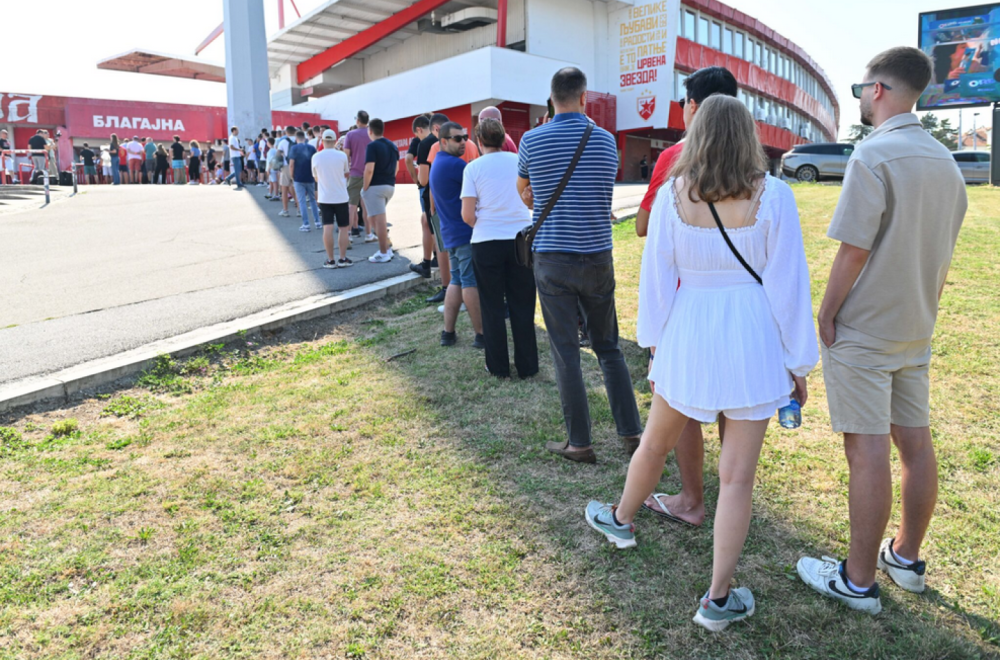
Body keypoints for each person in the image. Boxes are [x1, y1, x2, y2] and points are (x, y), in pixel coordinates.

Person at [586, 94, 818, 632]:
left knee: (655, 441)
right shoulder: (775, 196)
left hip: (688, 332)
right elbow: (789, 288)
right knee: (737, 479)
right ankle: (717, 598)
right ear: (748, 135)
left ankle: (621, 519)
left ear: (699, 134)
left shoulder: (673, 195)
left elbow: (657, 279)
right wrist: (798, 363)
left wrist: (654, 344)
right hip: (752, 338)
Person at [797, 47, 968, 615]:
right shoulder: (946, 161)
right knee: (915, 444)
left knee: (866, 450)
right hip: (915, 325)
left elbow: (854, 249)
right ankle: (906, 558)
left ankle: (858, 580)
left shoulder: (873, 154)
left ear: (877, 90)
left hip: (866, 327)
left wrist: (826, 313)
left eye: (859, 89)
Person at [516, 67, 643, 463]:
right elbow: (601, 192)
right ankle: (631, 433)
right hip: (598, 255)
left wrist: (538, 197)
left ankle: (580, 442)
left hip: (553, 258)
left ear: (552, 98)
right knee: (609, 347)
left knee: (566, 350)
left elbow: (525, 193)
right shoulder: (606, 141)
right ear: (584, 97)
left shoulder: (531, 140)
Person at [633, 66, 740, 525]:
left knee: (682, 406)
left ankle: (692, 499)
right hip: (741, 306)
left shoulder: (675, 157)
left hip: (684, 304)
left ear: (693, 106)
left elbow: (644, 228)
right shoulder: (752, 164)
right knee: (736, 404)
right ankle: (734, 490)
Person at [461, 117, 537, 378]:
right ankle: (528, 365)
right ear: (504, 138)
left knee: (491, 306)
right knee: (523, 303)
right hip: (520, 239)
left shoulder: (473, 168)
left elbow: (467, 215)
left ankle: (497, 366)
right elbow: (531, 199)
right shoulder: (519, 161)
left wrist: (485, 222)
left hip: (486, 242)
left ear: (479, 141)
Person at [430, 121, 484, 349]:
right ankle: (481, 335)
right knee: (470, 282)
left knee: (456, 281)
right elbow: (480, 192)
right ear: (443, 141)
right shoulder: (456, 165)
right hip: (464, 233)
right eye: (457, 138)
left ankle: (448, 333)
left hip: (451, 233)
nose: (463, 142)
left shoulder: (438, 162)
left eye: (465, 137)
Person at [417, 113, 452, 304]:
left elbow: (425, 180)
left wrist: (431, 206)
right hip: (464, 200)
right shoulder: (468, 143)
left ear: (435, 129)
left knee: (442, 245)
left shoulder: (430, 145)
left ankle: (447, 288)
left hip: (439, 202)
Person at [313, 128, 353, 268]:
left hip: (325, 197)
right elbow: (346, 173)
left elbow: (316, 178)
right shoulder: (342, 156)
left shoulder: (316, 157)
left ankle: (330, 260)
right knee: (343, 228)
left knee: (327, 227)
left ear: (323, 141)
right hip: (341, 196)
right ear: (335, 141)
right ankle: (342, 258)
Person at [361, 118, 398, 263]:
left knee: (378, 219)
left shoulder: (372, 146)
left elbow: (369, 169)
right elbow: (396, 168)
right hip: (389, 185)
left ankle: (384, 252)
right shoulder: (392, 145)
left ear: (370, 131)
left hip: (375, 186)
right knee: (372, 218)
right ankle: (386, 248)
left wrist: (365, 187)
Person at [408, 114, 436, 279]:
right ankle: (432, 261)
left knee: (430, 224)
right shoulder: (458, 141)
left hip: (432, 193)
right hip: (454, 191)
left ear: (419, 129)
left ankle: (428, 263)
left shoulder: (425, 144)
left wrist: (416, 179)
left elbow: (423, 180)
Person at [343, 110, 371, 238]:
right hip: (370, 174)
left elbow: (346, 156)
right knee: (366, 206)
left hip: (355, 173)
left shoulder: (350, 135)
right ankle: (369, 234)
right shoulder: (372, 133)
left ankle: (348, 235)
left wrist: (346, 171)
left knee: (351, 206)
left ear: (357, 120)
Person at [288, 130, 320, 231]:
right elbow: (316, 162)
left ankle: (306, 224)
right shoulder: (311, 148)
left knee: (301, 201)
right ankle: (317, 222)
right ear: (304, 138)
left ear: (296, 138)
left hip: (298, 177)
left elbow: (291, 164)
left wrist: (292, 176)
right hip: (310, 177)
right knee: (313, 200)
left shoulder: (294, 148)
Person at [277, 126, 298, 218]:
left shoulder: (283, 142)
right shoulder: (298, 140)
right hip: (297, 166)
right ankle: (299, 210)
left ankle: (285, 210)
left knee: (284, 189)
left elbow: (278, 155)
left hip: (286, 166)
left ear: (286, 132)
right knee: (298, 189)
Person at [224, 126, 246, 190]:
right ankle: (238, 183)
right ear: (234, 131)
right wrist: (239, 150)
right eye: (237, 130)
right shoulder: (232, 138)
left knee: (238, 170)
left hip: (237, 155)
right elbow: (231, 147)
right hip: (235, 156)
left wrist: (240, 151)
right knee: (237, 170)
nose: (238, 132)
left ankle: (228, 178)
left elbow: (235, 147)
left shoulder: (235, 138)